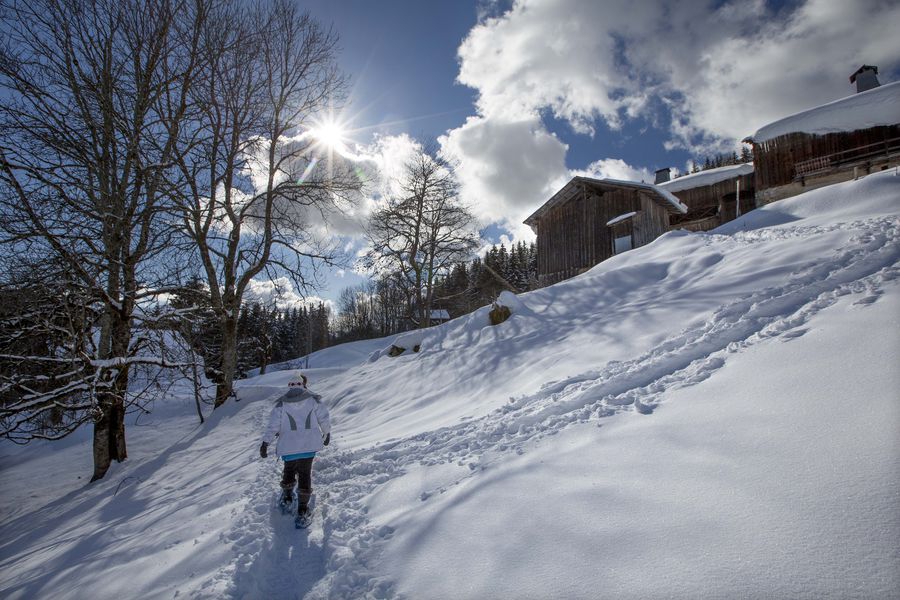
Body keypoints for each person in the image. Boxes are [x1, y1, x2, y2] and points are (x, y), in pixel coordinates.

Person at [259, 373, 331, 524]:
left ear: (289, 386)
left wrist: (266, 443)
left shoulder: (281, 404)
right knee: (305, 473)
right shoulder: (313, 400)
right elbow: (323, 418)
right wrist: (326, 433)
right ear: (303, 385)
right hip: (308, 446)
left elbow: (273, 426)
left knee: (289, 469)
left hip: (288, 446)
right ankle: (303, 509)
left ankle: (287, 497)